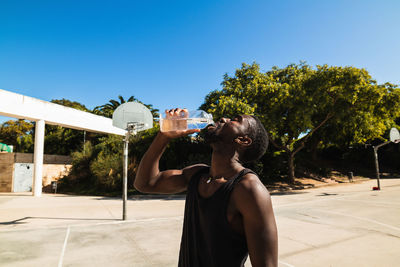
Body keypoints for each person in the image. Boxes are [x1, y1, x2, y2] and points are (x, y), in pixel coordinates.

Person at [134, 108, 278, 267]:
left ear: (243, 140)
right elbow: (145, 183)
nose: (223, 118)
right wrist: (164, 136)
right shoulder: (196, 174)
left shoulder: (249, 189)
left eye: (235, 120)